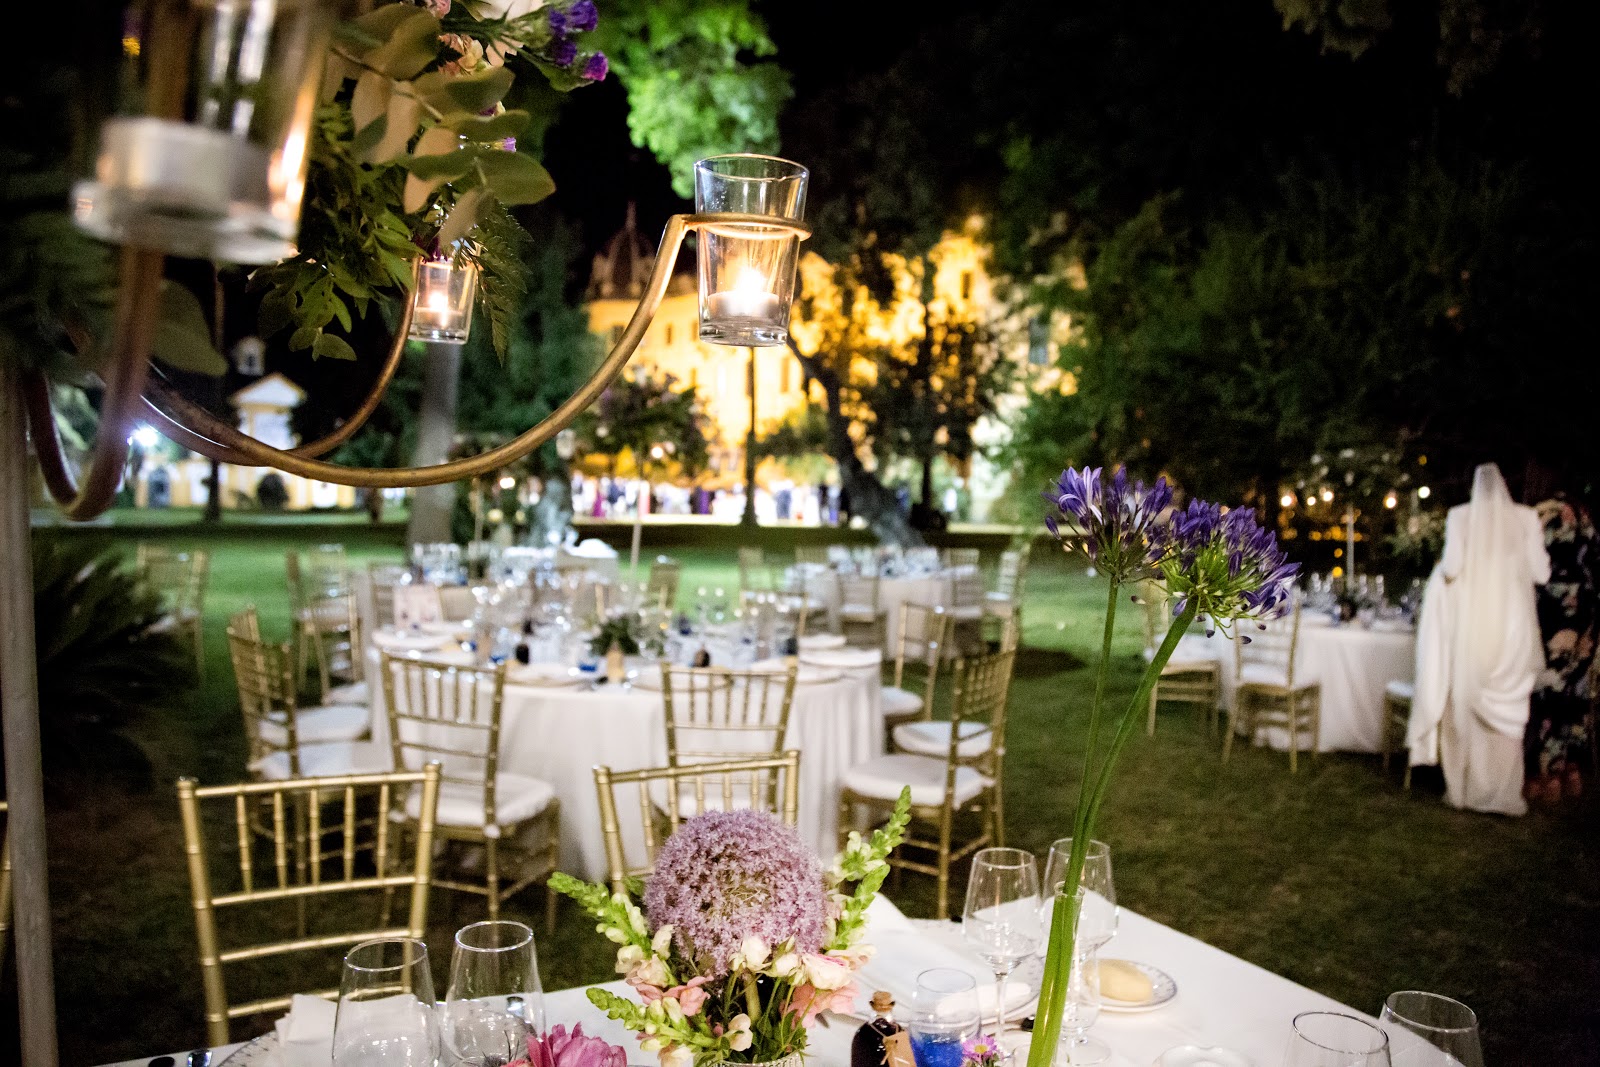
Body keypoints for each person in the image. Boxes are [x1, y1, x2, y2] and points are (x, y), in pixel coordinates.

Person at [1409, 463, 1551, 815]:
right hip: (1514, 627)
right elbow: (1541, 573)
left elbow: (1453, 567)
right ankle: (1503, 790)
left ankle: (1466, 789)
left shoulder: (1460, 516)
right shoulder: (1526, 518)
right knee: (1509, 710)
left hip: (1473, 622)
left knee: (1467, 707)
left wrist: (1440, 573)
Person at [1525, 495, 1599, 802]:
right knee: (1575, 696)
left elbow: (1533, 569)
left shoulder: (1544, 521)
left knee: (1548, 696)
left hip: (1554, 615)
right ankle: (1571, 771)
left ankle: (1547, 774)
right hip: (1586, 617)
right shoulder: (1587, 522)